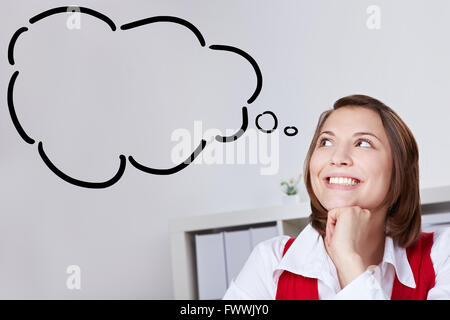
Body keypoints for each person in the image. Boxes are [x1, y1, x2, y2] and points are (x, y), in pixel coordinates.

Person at [223, 94, 450, 299]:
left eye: (363, 143)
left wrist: (349, 261)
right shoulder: (270, 262)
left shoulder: (441, 255)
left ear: (398, 169)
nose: (338, 157)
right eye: (326, 142)